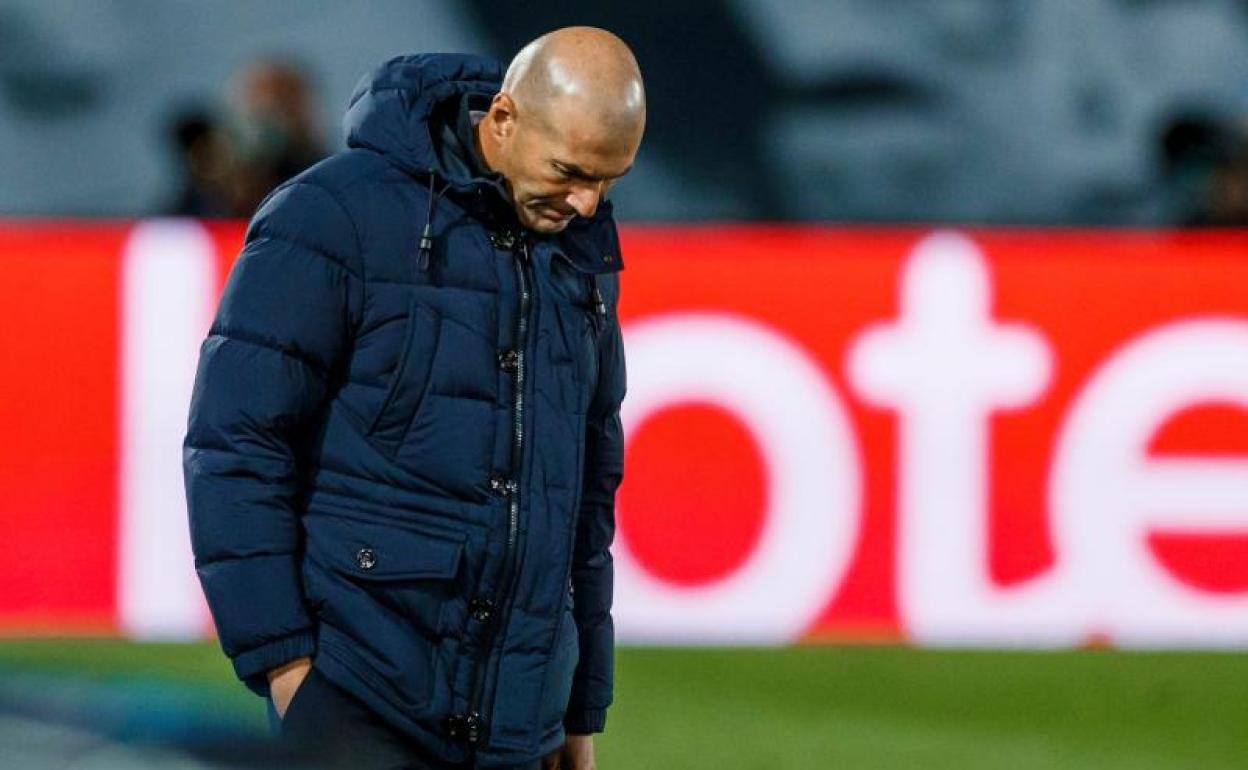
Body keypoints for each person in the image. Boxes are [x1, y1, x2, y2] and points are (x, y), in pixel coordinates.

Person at [183, 26, 645, 770]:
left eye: (608, 179)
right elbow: (235, 442)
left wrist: (576, 705)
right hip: (358, 696)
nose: (588, 203)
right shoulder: (330, 217)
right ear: (503, 119)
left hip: (519, 722)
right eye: (570, 171)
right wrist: (284, 666)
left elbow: (584, 496)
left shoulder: (580, 254)